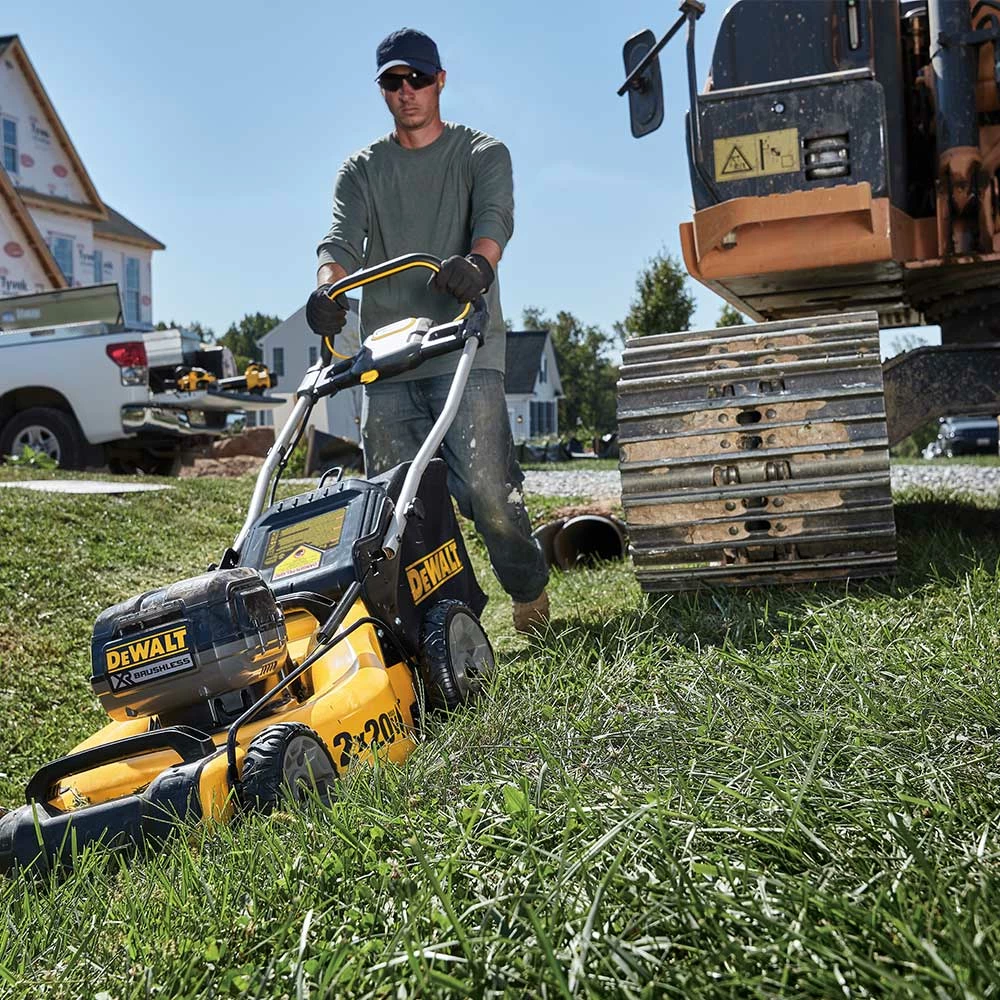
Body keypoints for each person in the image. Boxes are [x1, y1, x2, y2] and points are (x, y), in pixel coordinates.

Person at [305, 27, 550, 633]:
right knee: (393, 509)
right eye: (393, 81)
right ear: (382, 90)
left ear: (441, 81)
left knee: (490, 495)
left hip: (464, 349)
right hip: (387, 364)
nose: (406, 90)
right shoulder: (361, 170)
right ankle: (421, 629)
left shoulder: (480, 153)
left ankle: (529, 594)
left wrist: (479, 263)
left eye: (417, 78)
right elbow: (339, 243)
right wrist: (327, 289)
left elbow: (495, 220)